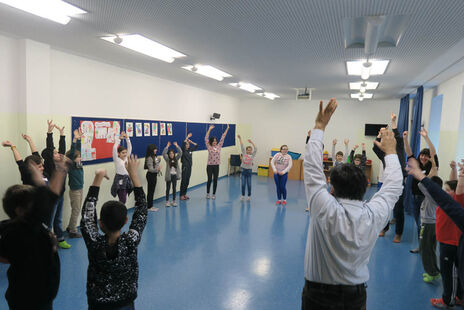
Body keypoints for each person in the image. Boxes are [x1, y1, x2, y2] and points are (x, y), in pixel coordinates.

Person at [302, 99, 403, 310]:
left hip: (317, 297)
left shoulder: (324, 209)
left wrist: (319, 127)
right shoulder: (374, 214)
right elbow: (394, 185)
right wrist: (392, 151)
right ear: (366, 186)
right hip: (355, 298)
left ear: (332, 189)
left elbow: (311, 168)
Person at [0, 154, 68, 310]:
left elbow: (50, 197)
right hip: (32, 299)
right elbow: (49, 197)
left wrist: (59, 170)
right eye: (33, 203)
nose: (39, 205)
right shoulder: (24, 230)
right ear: (21, 211)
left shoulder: (14, 228)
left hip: (29, 296)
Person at [81, 155, 147, 310]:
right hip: (125, 302)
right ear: (125, 221)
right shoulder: (130, 241)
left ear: (100, 224)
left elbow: (87, 218)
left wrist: (98, 177)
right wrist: (134, 174)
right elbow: (142, 210)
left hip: (98, 303)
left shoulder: (94, 244)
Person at [407, 158, 464, 308]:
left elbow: (449, 189)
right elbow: (454, 183)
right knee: (450, 272)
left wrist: (419, 174)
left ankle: (449, 300)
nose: (445, 193)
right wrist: (456, 171)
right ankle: (457, 296)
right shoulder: (453, 202)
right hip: (445, 240)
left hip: (451, 243)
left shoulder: (455, 202)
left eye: (447, 191)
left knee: (450, 274)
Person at [404, 128, 439, 253]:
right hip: (415, 198)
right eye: (422, 155)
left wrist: (426, 137)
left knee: (424, 224)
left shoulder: (431, 165)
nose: (423, 157)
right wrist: (404, 139)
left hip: (426, 200)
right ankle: (422, 246)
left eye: (426, 155)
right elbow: (409, 153)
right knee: (419, 224)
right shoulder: (416, 163)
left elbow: (433, 153)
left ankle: (427, 247)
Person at [374, 113, 407, 242]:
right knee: (384, 207)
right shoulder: (382, 153)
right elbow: (375, 147)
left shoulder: (398, 148)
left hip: (399, 184)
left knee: (398, 210)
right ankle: (384, 227)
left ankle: (398, 233)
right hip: (385, 183)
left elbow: (397, 138)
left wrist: (393, 122)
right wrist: (379, 134)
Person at [41, 120, 71, 249]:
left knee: (58, 219)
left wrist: (62, 134)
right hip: (52, 196)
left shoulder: (60, 163)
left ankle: (60, 239)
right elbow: (49, 148)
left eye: (57, 152)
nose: (58, 154)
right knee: (49, 221)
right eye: (55, 153)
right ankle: (46, 242)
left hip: (61, 194)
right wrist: (49, 132)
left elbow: (62, 150)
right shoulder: (49, 165)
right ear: (49, 157)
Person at [417, 158, 441, 283]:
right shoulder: (437, 194)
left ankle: (431, 273)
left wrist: (430, 171)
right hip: (433, 225)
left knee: (425, 249)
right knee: (431, 249)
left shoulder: (431, 195)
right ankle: (435, 271)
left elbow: (421, 184)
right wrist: (434, 169)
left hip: (428, 225)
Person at [65, 129, 84, 238]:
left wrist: (79, 139)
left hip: (80, 188)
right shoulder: (71, 164)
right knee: (76, 210)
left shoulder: (78, 164)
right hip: (75, 190)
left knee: (77, 209)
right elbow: (73, 152)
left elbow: (77, 149)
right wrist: (74, 139)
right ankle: (72, 231)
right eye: (78, 157)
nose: (80, 158)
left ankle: (70, 226)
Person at [205, 124, 229, 199]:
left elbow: (223, 137)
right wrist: (209, 129)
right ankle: (208, 193)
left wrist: (227, 128)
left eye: (216, 141)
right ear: (211, 142)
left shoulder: (219, 146)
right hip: (209, 166)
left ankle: (214, 194)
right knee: (209, 179)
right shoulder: (209, 147)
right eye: (213, 141)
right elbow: (206, 138)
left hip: (216, 166)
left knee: (215, 180)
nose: (215, 142)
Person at [111, 131, 133, 204]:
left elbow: (129, 147)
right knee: (122, 199)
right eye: (123, 153)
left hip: (126, 179)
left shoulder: (127, 158)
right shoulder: (117, 160)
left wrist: (127, 138)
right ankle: (121, 213)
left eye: (125, 153)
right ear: (118, 153)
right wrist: (119, 139)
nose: (125, 154)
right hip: (120, 180)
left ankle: (122, 211)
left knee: (124, 199)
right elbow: (114, 148)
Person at [238, 135, 257, 201]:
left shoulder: (252, 155)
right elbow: (242, 146)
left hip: (249, 171)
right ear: (246, 151)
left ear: (251, 151)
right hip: (243, 170)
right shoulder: (244, 153)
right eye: (248, 150)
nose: (249, 151)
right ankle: (243, 195)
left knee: (249, 185)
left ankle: (249, 196)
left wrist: (251, 142)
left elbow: (256, 149)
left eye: (250, 150)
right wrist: (240, 138)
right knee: (243, 184)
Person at [162, 142, 182, 207]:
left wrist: (177, 146)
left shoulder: (176, 158)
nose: (171, 154)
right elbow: (163, 154)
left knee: (174, 188)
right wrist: (167, 147)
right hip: (169, 176)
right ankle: (167, 201)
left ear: (174, 154)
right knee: (168, 188)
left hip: (174, 176)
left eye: (172, 153)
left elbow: (180, 153)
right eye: (170, 153)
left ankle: (173, 201)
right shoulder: (167, 159)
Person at [180, 133, 198, 200]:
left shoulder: (190, 150)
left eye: (188, 144)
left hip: (189, 167)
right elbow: (183, 144)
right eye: (187, 144)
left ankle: (184, 194)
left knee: (187, 181)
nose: (188, 145)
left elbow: (196, 145)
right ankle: (181, 195)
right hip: (185, 168)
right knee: (183, 181)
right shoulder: (183, 151)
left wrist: (191, 142)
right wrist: (187, 137)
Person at [144, 144, 161, 212]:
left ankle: (150, 205)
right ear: (151, 150)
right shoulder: (149, 158)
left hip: (154, 175)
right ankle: (149, 206)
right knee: (150, 191)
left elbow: (155, 164)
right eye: (155, 149)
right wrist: (158, 170)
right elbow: (150, 169)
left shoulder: (154, 156)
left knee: (152, 191)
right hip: (151, 175)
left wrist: (158, 160)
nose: (156, 150)